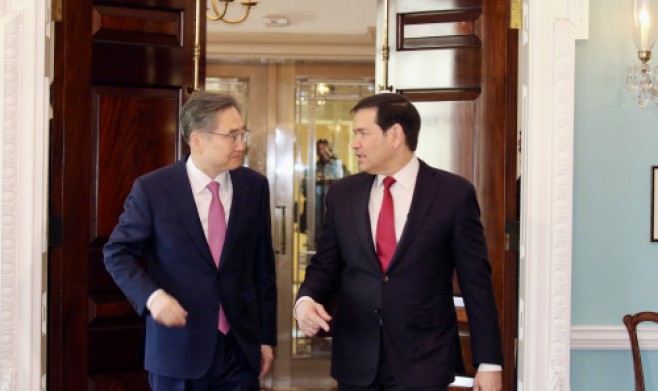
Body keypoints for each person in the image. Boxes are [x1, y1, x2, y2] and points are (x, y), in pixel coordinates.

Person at [295, 93, 503, 391]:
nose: (354, 143)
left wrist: (489, 362)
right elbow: (324, 266)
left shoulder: (453, 194)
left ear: (395, 135)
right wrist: (305, 301)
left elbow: (476, 282)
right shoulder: (342, 194)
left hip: (424, 361)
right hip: (356, 358)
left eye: (363, 133)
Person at [104, 91, 277, 391]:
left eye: (242, 133)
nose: (241, 144)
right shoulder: (153, 189)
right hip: (178, 349)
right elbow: (117, 253)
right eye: (231, 136)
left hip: (239, 350)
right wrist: (153, 298)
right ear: (197, 140)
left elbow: (263, 269)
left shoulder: (254, 187)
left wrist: (265, 338)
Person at [300, 139, 349, 240]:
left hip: (334, 209)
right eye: (319, 149)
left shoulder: (338, 166)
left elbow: (347, 184)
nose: (322, 152)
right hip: (316, 212)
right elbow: (304, 189)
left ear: (329, 150)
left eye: (324, 149)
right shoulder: (311, 169)